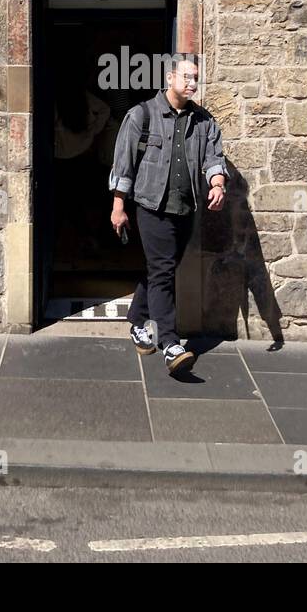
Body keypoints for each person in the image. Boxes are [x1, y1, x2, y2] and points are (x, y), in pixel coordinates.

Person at [109, 54, 227, 375]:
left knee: (161, 268)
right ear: (170, 78)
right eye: (187, 77)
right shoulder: (141, 116)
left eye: (196, 79)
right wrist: (118, 206)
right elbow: (123, 166)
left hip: (185, 209)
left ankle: (136, 321)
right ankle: (171, 344)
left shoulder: (203, 121)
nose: (192, 84)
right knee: (163, 272)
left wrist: (217, 184)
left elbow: (214, 158)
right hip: (151, 207)